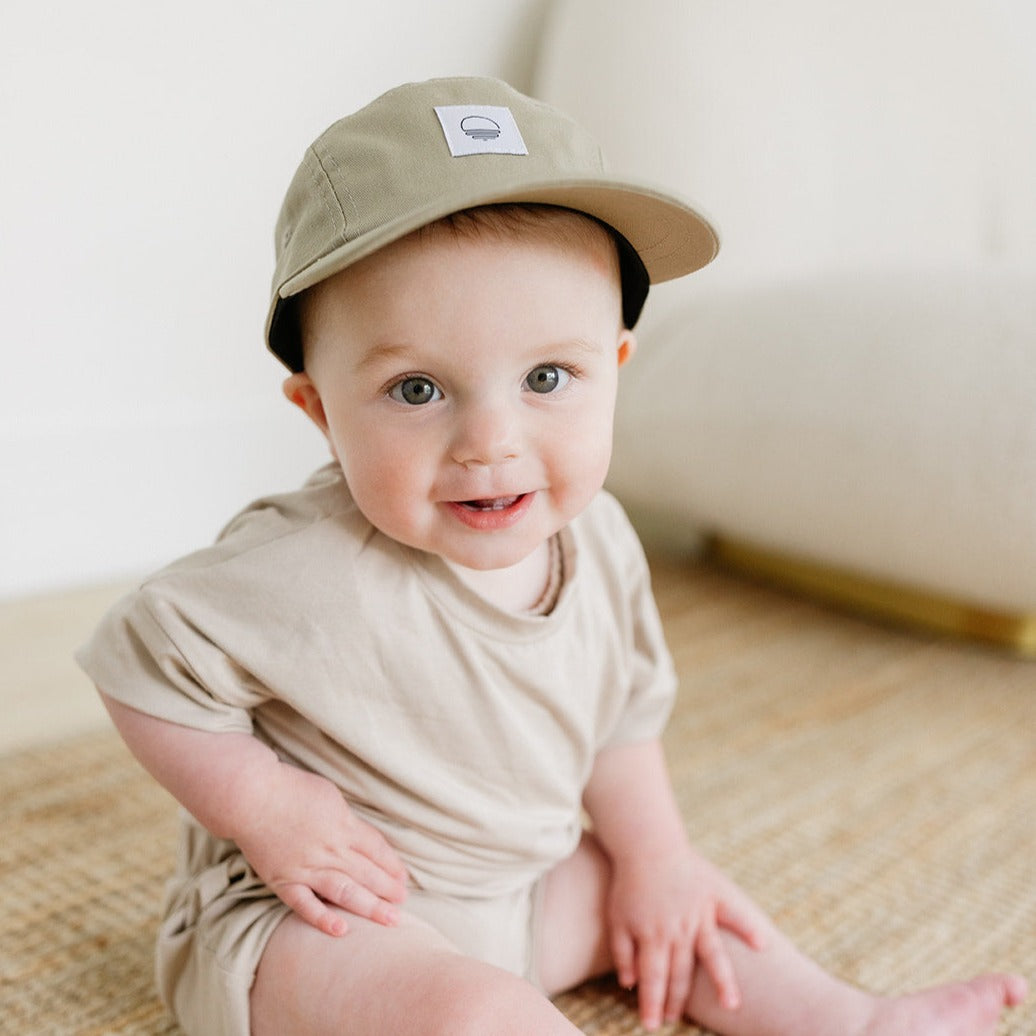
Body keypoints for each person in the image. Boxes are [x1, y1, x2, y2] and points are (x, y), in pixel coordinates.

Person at [78, 77, 1027, 1036]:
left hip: (518, 896)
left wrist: (657, 860)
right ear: (320, 411)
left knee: (678, 900)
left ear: (614, 368)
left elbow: (619, 720)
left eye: (545, 377)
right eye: (416, 390)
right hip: (323, 923)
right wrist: (266, 806)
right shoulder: (304, 565)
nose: (490, 440)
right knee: (475, 1011)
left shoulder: (601, 541)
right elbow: (136, 662)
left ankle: (851, 1022)